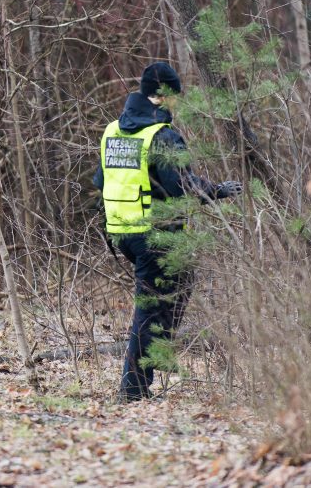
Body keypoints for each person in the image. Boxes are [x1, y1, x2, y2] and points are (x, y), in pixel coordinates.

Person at [94, 61, 244, 402]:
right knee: (149, 308)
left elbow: (100, 181)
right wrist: (219, 190)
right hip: (154, 233)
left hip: (122, 231)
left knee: (179, 283)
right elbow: (182, 186)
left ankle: (156, 356)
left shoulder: (112, 131)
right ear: (164, 96)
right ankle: (132, 388)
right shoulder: (161, 135)